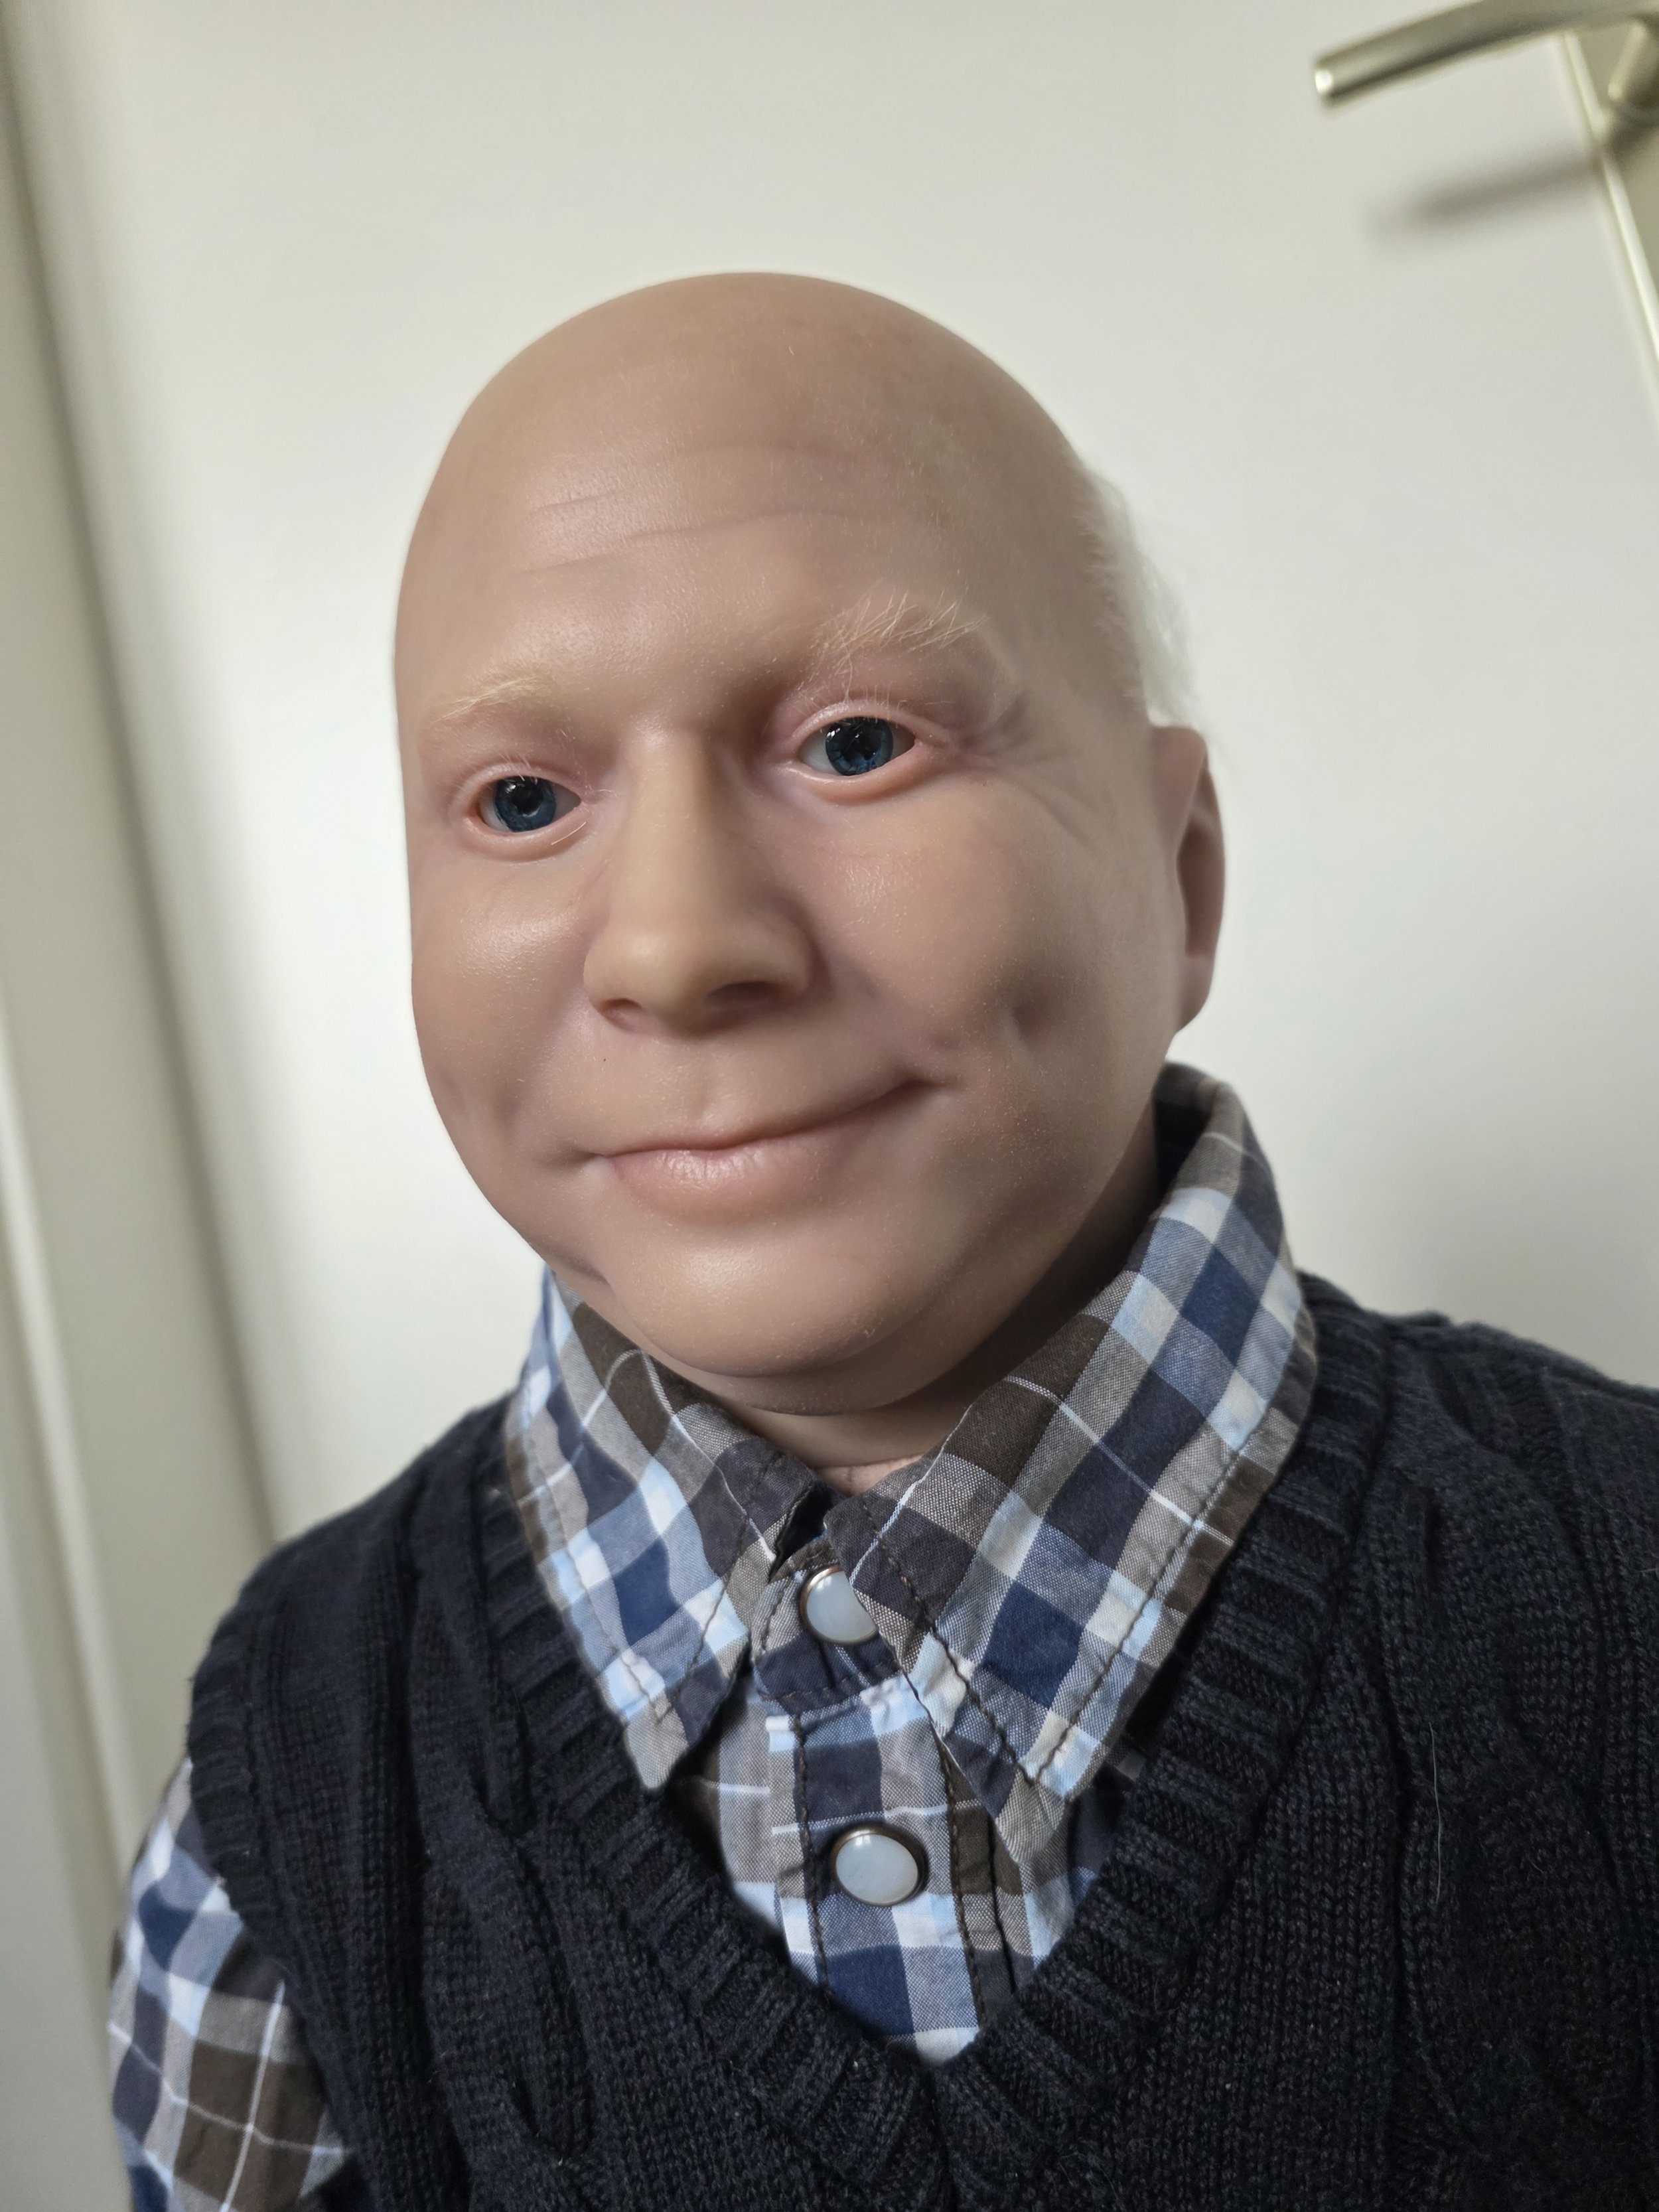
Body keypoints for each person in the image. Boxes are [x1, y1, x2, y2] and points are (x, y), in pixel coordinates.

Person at [109, 274, 1659, 2212]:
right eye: (521, 800)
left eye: (856, 744)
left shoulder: (1618, 1591)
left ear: (1179, 876)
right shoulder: (285, 1795)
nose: (678, 944)